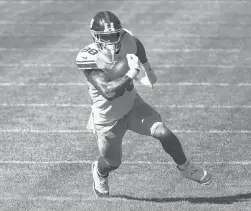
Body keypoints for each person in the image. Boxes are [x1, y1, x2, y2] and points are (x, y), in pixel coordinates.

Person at [75, 11, 212, 197]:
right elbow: (107, 91)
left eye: (114, 35)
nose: (111, 40)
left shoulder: (127, 40)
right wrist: (131, 74)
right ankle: (100, 172)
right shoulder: (89, 57)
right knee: (112, 162)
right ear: (96, 36)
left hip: (133, 106)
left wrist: (147, 68)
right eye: (106, 37)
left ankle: (186, 167)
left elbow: (136, 44)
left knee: (163, 132)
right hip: (107, 118)